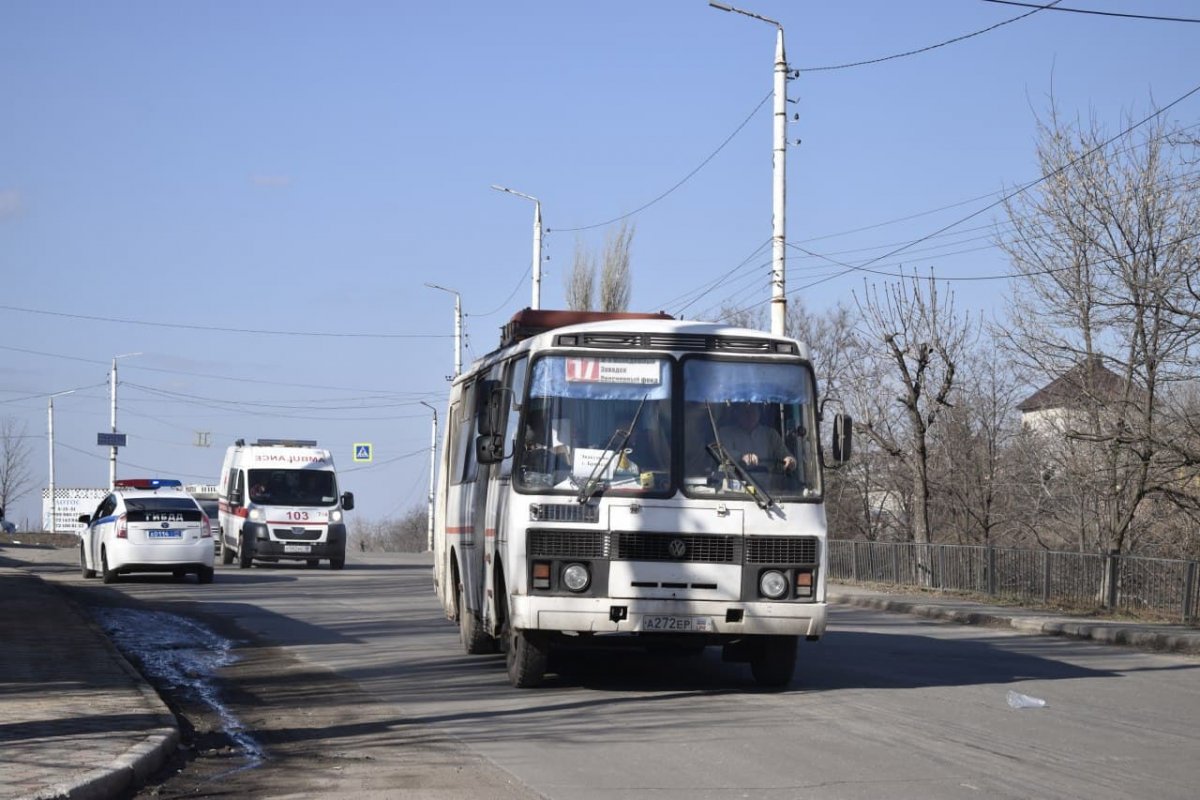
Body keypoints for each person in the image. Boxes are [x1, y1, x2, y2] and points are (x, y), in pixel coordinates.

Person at [717, 403, 796, 473]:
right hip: (736, 485)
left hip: (767, 488)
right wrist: (742, 459)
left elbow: (786, 457)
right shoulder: (725, 433)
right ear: (737, 413)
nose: (749, 415)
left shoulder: (771, 434)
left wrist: (790, 461)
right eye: (745, 411)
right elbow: (721, 465)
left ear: (759, 412)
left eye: (753, 410)